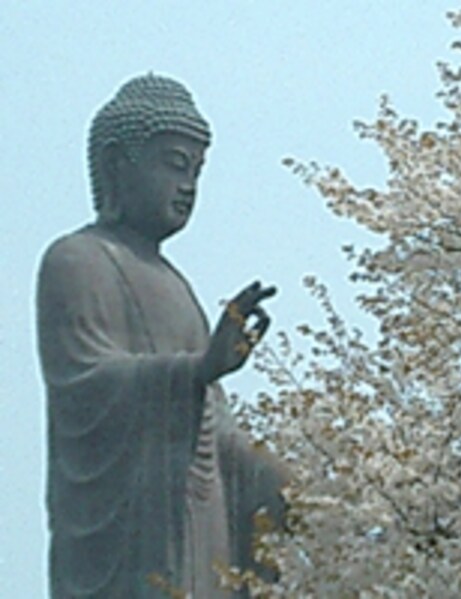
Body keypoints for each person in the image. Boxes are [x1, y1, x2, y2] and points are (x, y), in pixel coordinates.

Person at [36, 73, 287, 597]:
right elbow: (85, 380)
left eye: (197, 170)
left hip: (203, 510)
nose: (188, 185)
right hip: (135, 526)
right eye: (174, 164)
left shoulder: (178, 286)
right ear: (114, 163)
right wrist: (197, 368)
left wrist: (293, 483)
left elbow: (219, 431)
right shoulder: (78, 260)